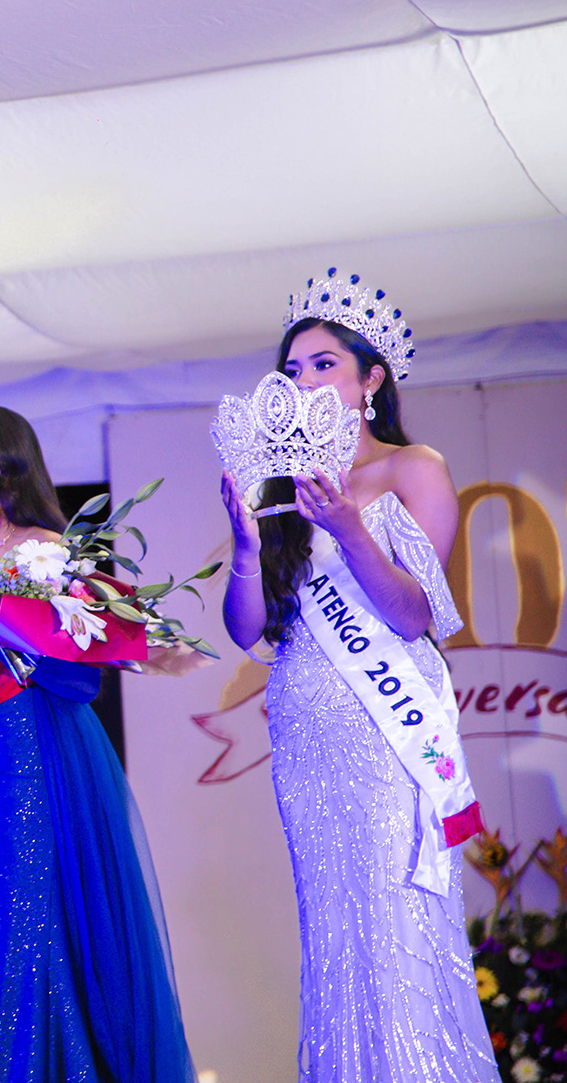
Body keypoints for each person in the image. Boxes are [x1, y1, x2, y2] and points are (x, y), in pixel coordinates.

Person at [219, 271, 493, 1081]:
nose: (306, 382)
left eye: (324, 365)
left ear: (371, 379)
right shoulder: (278, 488)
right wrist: (245, 548)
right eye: (292, 370)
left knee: (395, 921)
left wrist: (349, 529)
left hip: (387, 730)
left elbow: (414, 615)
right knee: (333, 927)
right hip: (306, 730)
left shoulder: (414, 467)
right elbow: (248, 629)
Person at [0, 403, 196, 1083]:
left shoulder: (50, 553)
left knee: (19, 937)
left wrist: (15, 625)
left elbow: (89, 666)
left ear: (13, 462)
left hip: (32, 770)